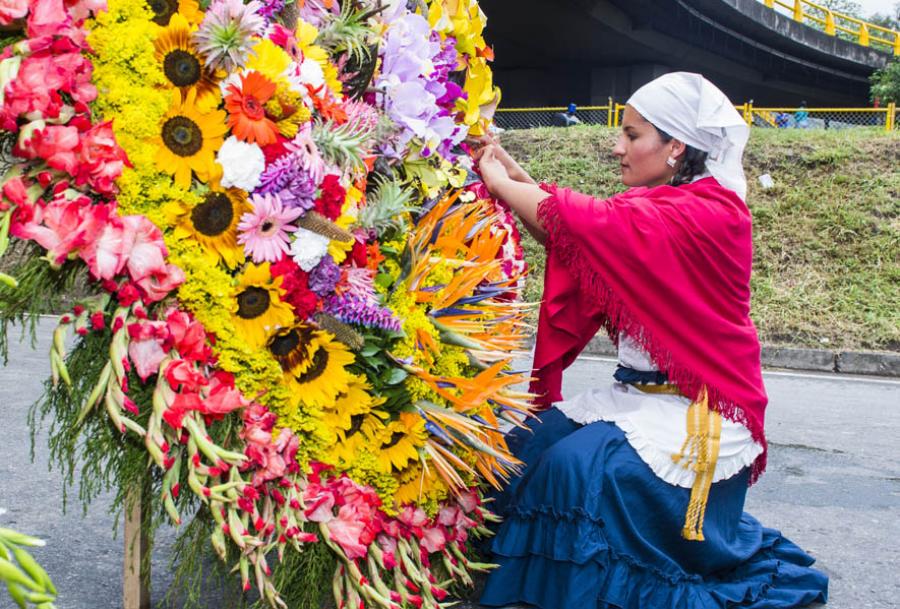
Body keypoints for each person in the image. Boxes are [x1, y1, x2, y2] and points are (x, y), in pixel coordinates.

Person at [472, 72, 829, 609]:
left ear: (676, 146)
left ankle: (576, 583)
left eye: (633, 135)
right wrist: (516, 175)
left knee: (577, 469)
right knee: (529, 443)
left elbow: (593, 224)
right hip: (638, 396)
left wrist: (502, 183)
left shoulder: (711, 211)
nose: (617, 146)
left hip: (697, 408)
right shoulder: (668, 204)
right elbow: (583, 236)